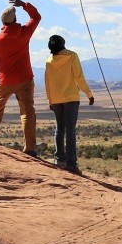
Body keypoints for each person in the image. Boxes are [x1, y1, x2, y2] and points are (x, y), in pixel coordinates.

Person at [0, 0, 40, 155]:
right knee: (27, 112)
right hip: (25, 78)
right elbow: (36, 17)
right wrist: (24, 4)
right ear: (14, 19)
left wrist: (1, 77)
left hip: (5, 80)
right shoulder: (24, 33)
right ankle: (29, 148)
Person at [43, 34, 94, 173]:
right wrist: (88, 94)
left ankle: (59, 159)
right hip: (71, 98)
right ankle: (71, 164)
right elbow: (79, 77)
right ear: (63, 44)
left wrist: (50, 100)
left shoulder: (48, 61)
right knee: (70, 130)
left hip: (56, 99)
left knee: (60, 129)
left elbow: (47, 83)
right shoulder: (72, 56)